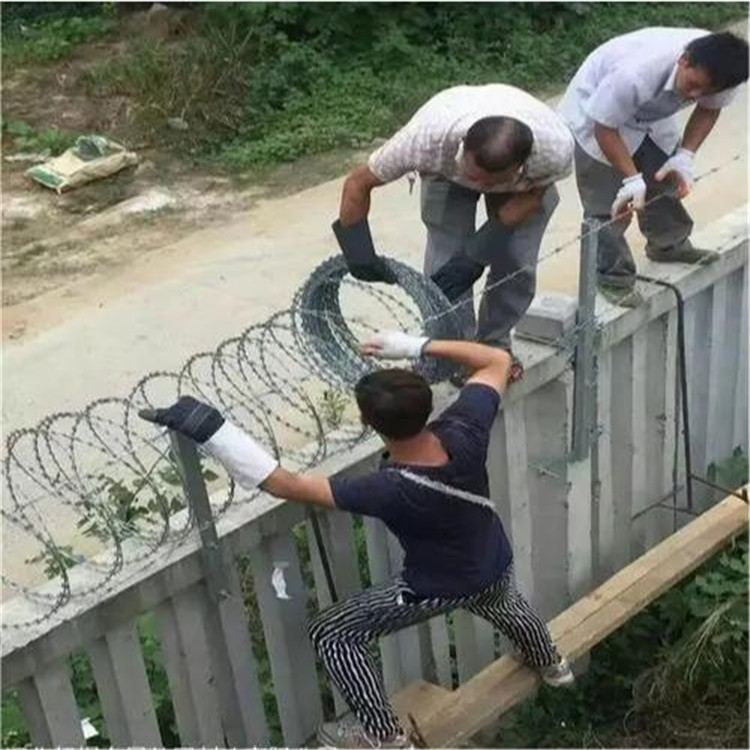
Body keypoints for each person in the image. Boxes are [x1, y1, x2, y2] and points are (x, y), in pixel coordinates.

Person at [140, 331, 574, 749]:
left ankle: (385, 736)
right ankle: (551, 662)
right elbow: (497, 360)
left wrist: (211, 429)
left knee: (331, 632)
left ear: (368, 422)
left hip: (438, 586)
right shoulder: (465, 428)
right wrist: (416, 345)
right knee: (501, 599)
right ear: (426, 403)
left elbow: (285, 484)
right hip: (493, 557)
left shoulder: (387, 489)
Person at [332, 84, 574, 381]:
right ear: (462, 147)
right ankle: (455, 353)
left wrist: (477, 254)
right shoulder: (424, 141)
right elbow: (356, 184)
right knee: (446, 265)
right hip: (446, 170)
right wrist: (358, 253)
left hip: (522, 189)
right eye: (473, 176)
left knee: (517, 262)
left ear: (520, 167)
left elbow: (526, 204)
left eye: (489, 183)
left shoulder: (554, 151)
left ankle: (494, 346)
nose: (480, 186)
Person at [559, 28, 748, 307]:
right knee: (609, 203)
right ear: (683, 60)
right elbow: (605, 129)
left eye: (705, 91)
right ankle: (612, 276)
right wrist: (631, 178)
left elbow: (709, 109)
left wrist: (685, 155)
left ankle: (668, 245)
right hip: (597, 113)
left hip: (651, 114)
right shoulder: (634, 74)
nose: (695, 94)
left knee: (664, 176)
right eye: (693, 85)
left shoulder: (725, 73)